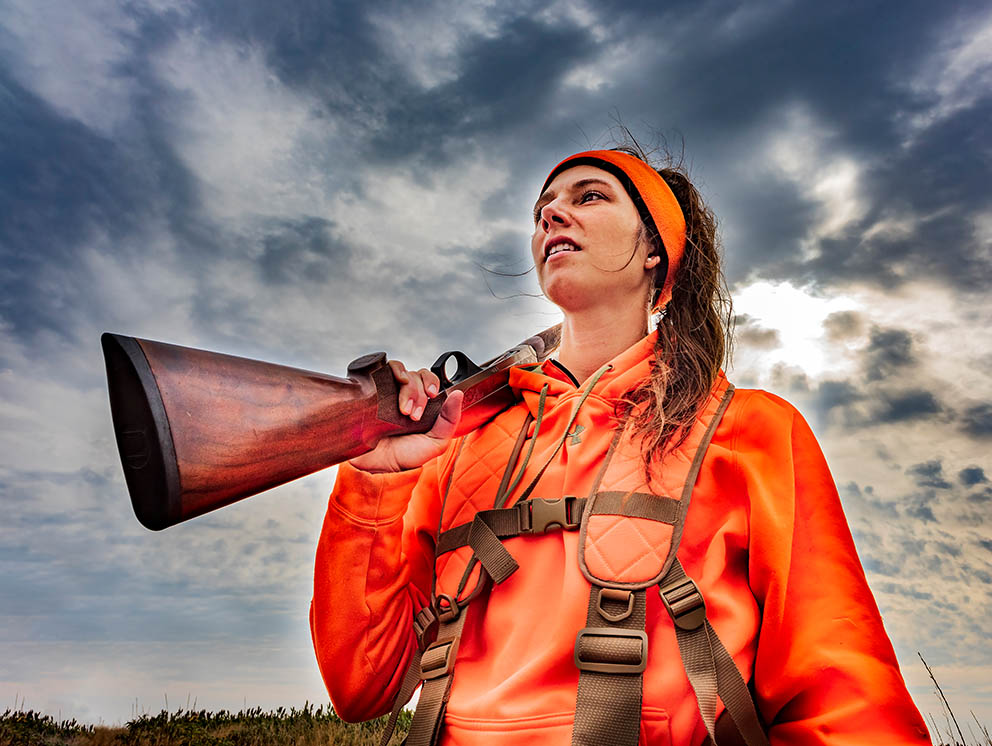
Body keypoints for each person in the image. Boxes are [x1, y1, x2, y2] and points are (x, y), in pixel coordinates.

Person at [310, 147, 932, 745]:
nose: (553, 214)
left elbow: (844, 701)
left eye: (590, 197)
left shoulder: (750, 429)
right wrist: (373, 479)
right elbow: (362, 688)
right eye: (543, 208)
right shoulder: (453, 449)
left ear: (653, 253)